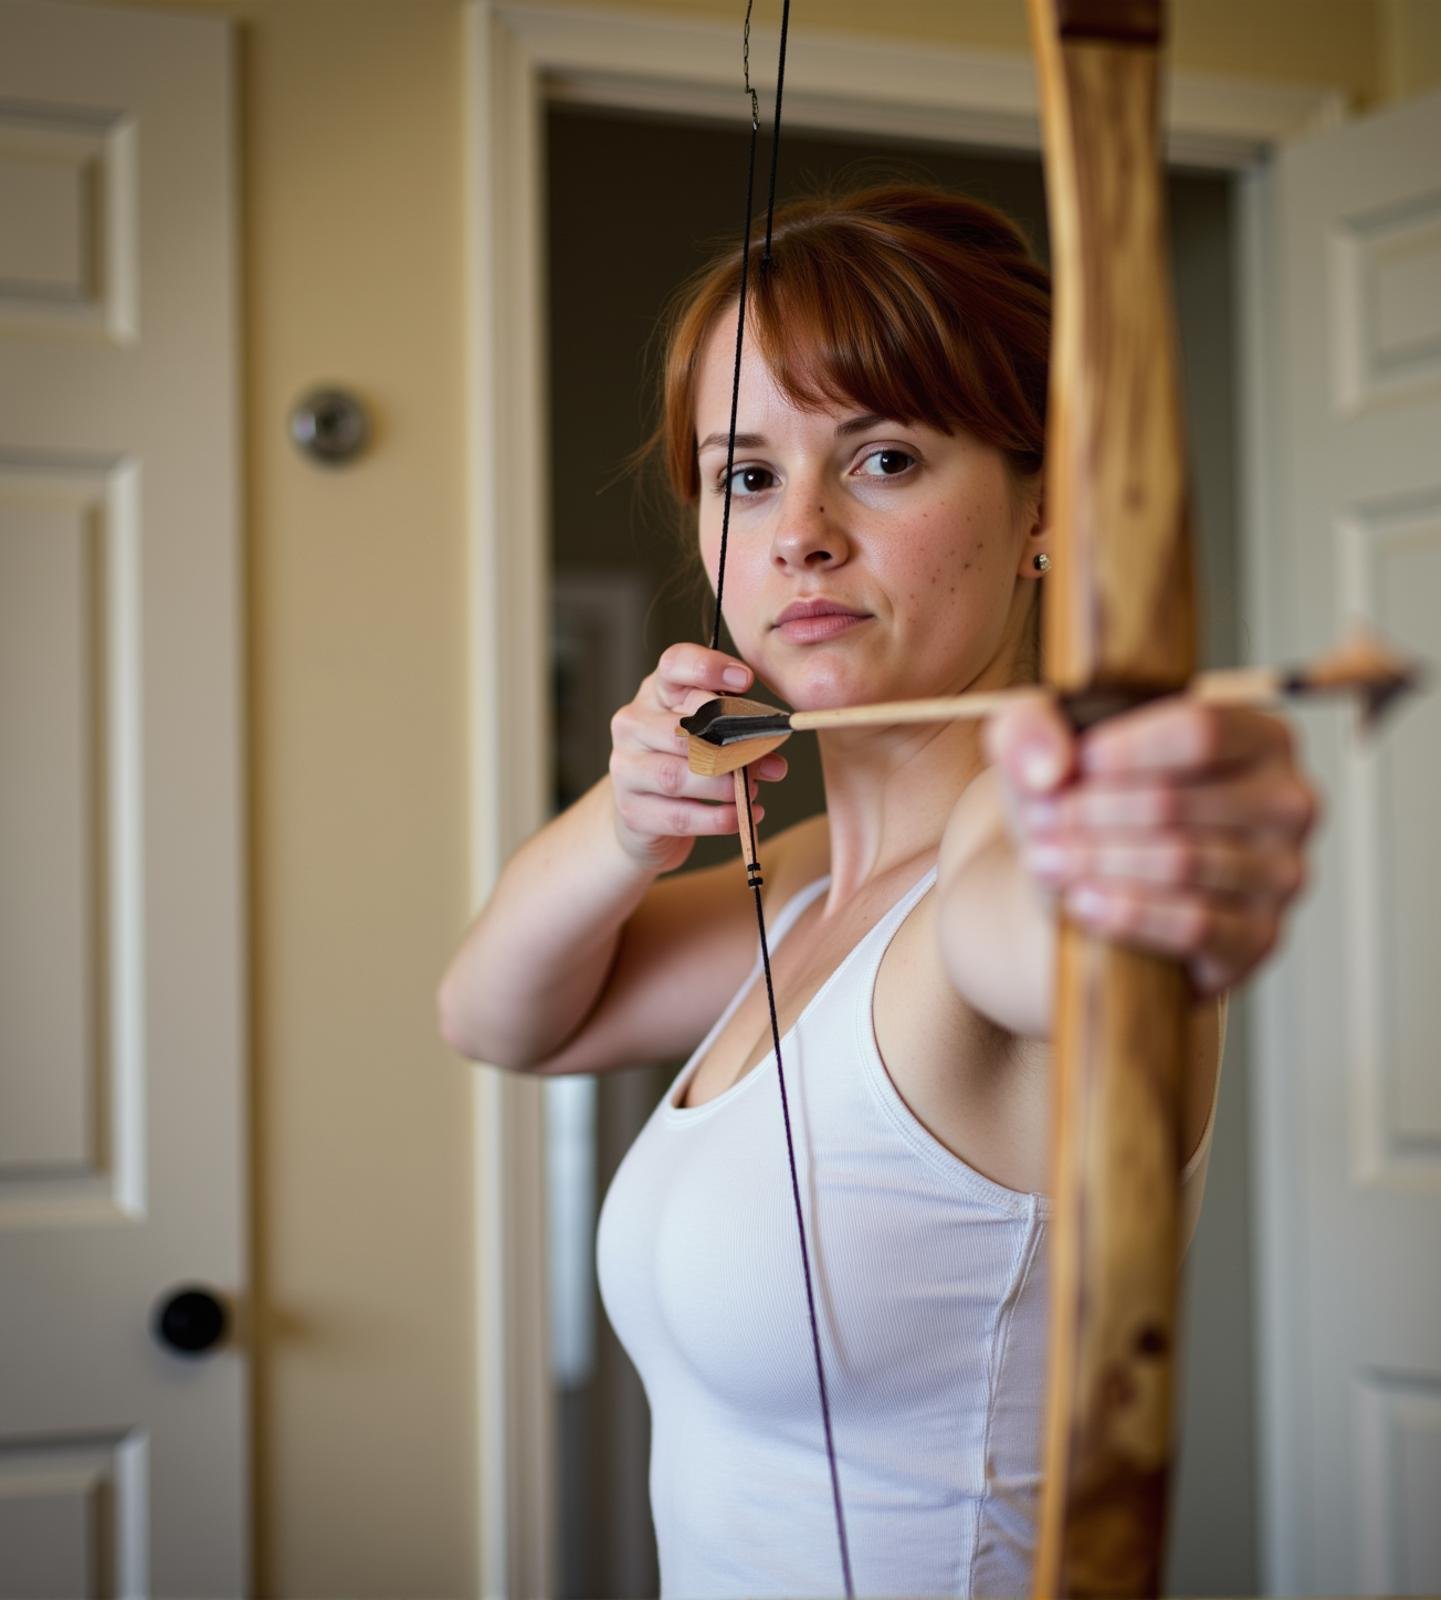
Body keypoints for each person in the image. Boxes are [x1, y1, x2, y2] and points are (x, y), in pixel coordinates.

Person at [436, 184, 1319, 1597]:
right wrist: (624, 820)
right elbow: (496, 1019)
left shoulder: (993, 869)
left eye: (888, 458)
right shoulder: (790, 888)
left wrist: (1156, 839)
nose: (800, 533)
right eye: (746, 474)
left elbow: (1056, 927)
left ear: (1052, 503)